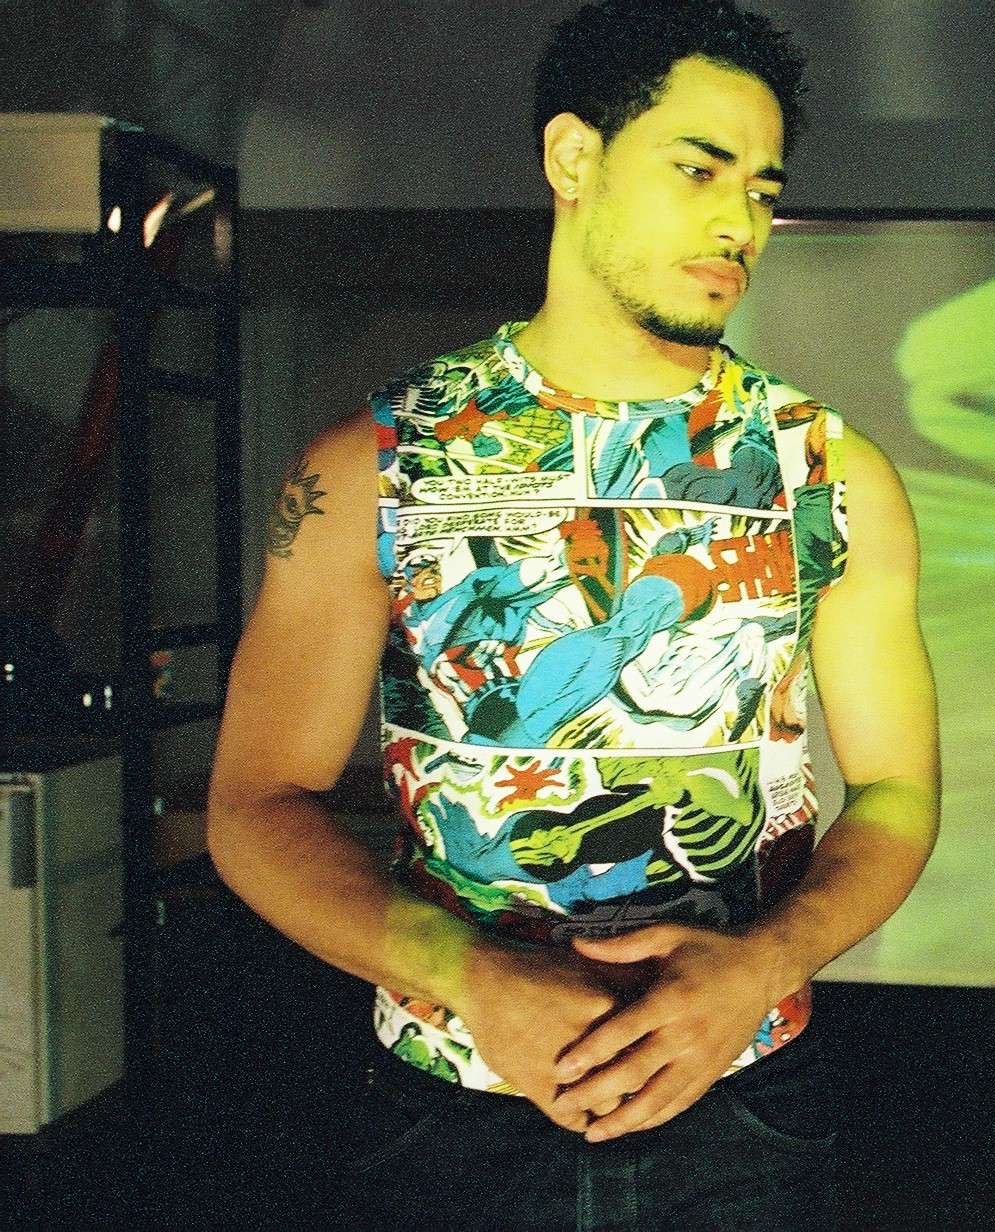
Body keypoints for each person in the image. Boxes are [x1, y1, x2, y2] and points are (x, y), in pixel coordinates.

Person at [206, 2, 939, 1226]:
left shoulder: (827, 473)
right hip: (451, 1105)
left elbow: (900, 790)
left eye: (761, 189)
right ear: (572, 157)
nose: (738, 221)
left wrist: (760, 963)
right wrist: (468, 972)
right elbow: (253, 805)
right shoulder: (382, 466)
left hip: (742, 1094)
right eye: (698, 169)